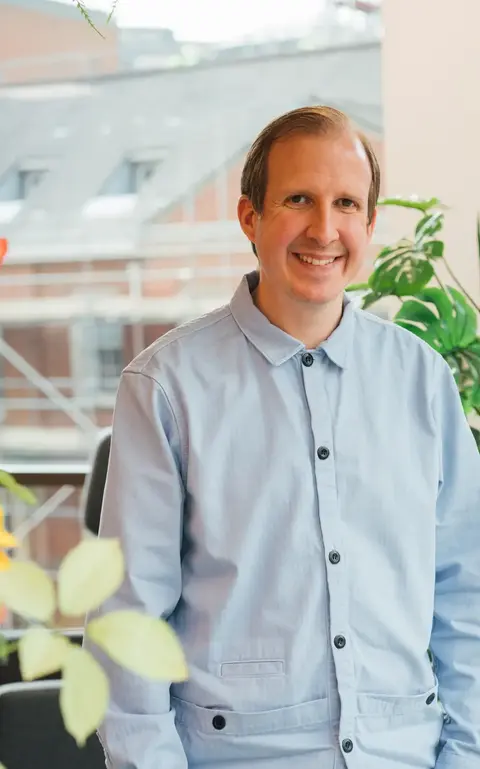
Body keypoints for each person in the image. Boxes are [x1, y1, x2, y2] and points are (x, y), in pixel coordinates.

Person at [85, 106, 480, 769]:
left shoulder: (422, 382)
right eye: (299, 199)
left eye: (346, 203)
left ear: (369, 223)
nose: (324, 229)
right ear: (251, 217)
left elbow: (467, 594)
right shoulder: (165, 387)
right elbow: (128, 625)